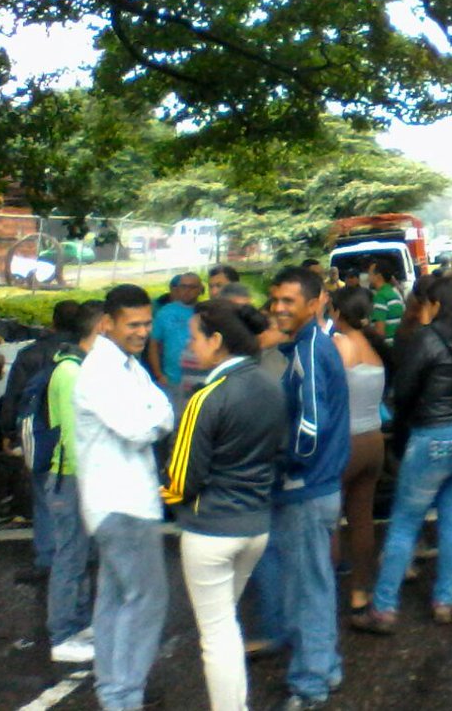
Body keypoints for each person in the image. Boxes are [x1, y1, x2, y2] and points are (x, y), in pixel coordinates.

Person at [162, 299, 286, 711]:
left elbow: (183, 479)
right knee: (225, 626)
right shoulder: (271, 385)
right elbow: (279, 451)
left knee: (217, 635)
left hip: (211, 529)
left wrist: (161, 497)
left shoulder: (205, 398)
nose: (190, 345)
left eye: (195, 337)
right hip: (256, 526)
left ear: (216, 341)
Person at [352, 277, 452, 633]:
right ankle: (445, 601)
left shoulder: (425, 340)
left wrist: (400, 439)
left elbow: (405, 392)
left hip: (433, 437)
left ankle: (383, 608)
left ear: (436, 304)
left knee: (405, 522)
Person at [74, 284, 175, 711]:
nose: (143, 331)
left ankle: (114, 690)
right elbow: (141, 428)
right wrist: (153, 419)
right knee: (147, 599)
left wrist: (152, 418)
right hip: (122, 504)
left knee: (117, 600)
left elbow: (163, 411)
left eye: (147, 323)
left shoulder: (127, 364)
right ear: (107, 324)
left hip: (122, 502)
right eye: (133, 324)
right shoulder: (101, 371)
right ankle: (123, 694)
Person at [267, 267, 351, 709]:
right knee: (313, 584)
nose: (279, 308)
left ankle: (310, 684)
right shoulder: (307, 346)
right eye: (275, 300)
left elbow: (310, 425)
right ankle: (325, 667)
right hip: (314, 486)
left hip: (307, 487)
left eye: (289, 301)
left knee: (307, 589)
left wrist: (288, 463)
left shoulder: (312, 350)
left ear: (316, 302)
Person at [0, 299, 81, 583]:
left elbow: (14, 395)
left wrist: (7, 432)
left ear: (53, 323)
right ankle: (79, 556)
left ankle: (47, 558)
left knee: (44, 497)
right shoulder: (86, 354)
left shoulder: (31, 353)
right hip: (77, 435)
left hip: (40, 432)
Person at [46, 300, 107, 665]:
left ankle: (79, 625)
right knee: (70, 556)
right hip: (71, 477)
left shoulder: (81, 366)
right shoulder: (71, 372)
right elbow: (75, 436)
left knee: (82, 554)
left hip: (78, 476)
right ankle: (63, 633)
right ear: (101, 326)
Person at [329, 286, 389, 618]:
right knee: (363, 519)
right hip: (373, 441)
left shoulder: (340, 345)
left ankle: (324, 595)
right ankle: (359, 592)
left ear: (337, 312)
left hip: (345, 442)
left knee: (331, 520)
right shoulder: (373, 348)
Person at [149, 271, 204, 412]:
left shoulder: (206, 311)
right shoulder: (164, 312)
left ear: (200, 289)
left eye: (192, 287)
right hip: (172, 380)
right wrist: (159, 375)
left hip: (200, 379)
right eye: (183, 286)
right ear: (177, 289)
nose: (187, 291)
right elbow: (153, 345)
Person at [368, 259, 405, 344]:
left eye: (370, 273)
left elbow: (380, 331)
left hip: (386, 348)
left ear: (378, 276)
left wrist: (366, 326)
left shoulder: (380, 297)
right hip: (397, 345)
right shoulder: (395, 293)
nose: (368, 277)